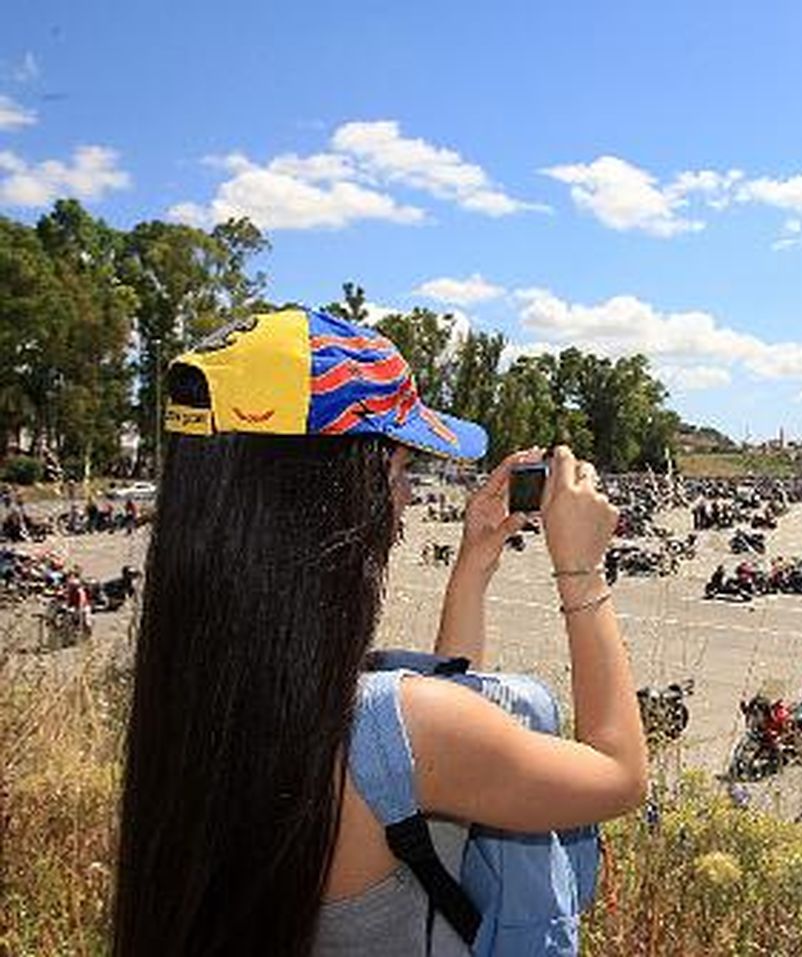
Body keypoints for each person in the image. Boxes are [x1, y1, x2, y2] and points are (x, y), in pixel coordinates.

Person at [113, 308, 645, 957]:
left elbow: (433, 735)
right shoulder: (395, 724)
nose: (406, 498)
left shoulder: (199, 699)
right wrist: (583, 571)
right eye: (396, 472)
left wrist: (475, 560)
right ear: (332, 492)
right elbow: (620, 774)